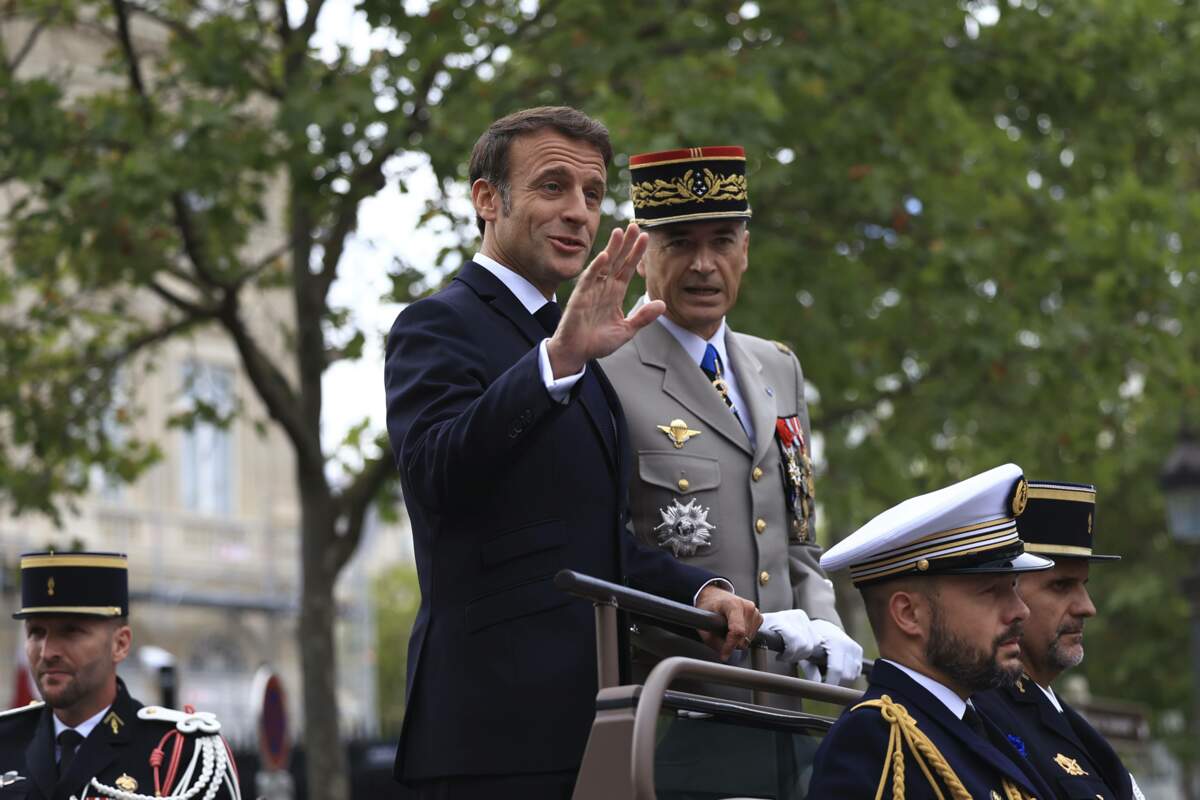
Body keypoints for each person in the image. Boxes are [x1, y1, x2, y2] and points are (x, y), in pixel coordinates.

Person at [383, 106, 761, 799]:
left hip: (593, 721)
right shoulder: (439, 325)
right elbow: (437, 476)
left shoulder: (575, 339)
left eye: (592, 194)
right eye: (553, 187)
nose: (579, 213)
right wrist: (555, 360)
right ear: (487, 199)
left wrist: (701, 592)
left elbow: (587, 541)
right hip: (489, 737)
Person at [600, 145, 862, 692]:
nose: (703, 265)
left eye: (721, 242)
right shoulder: (604, 372)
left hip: (786, 697)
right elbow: (607, 552)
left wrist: (826, 625)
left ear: (744, 250)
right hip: (677, 696)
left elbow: (799, 540)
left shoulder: (779, 366)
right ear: (642, 253)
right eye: (679, 244)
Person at [807, 464, 1057, 799]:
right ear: (908, 614)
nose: (1020, 610)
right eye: (991, 592)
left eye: (1013, 587)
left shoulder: (975, 726)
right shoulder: (874, 741)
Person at [0, 551, 241, 800]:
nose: (48, 652)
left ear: (120, 644)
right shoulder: (6, 739)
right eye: (36, 633)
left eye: (71, 632)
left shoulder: (182, 753)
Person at [974, 481, 1146, 800]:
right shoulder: (979, 715)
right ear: (1004, 593)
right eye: (1061, 586)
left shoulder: (1055, 715)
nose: (1087, 607)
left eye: (1083, 585)